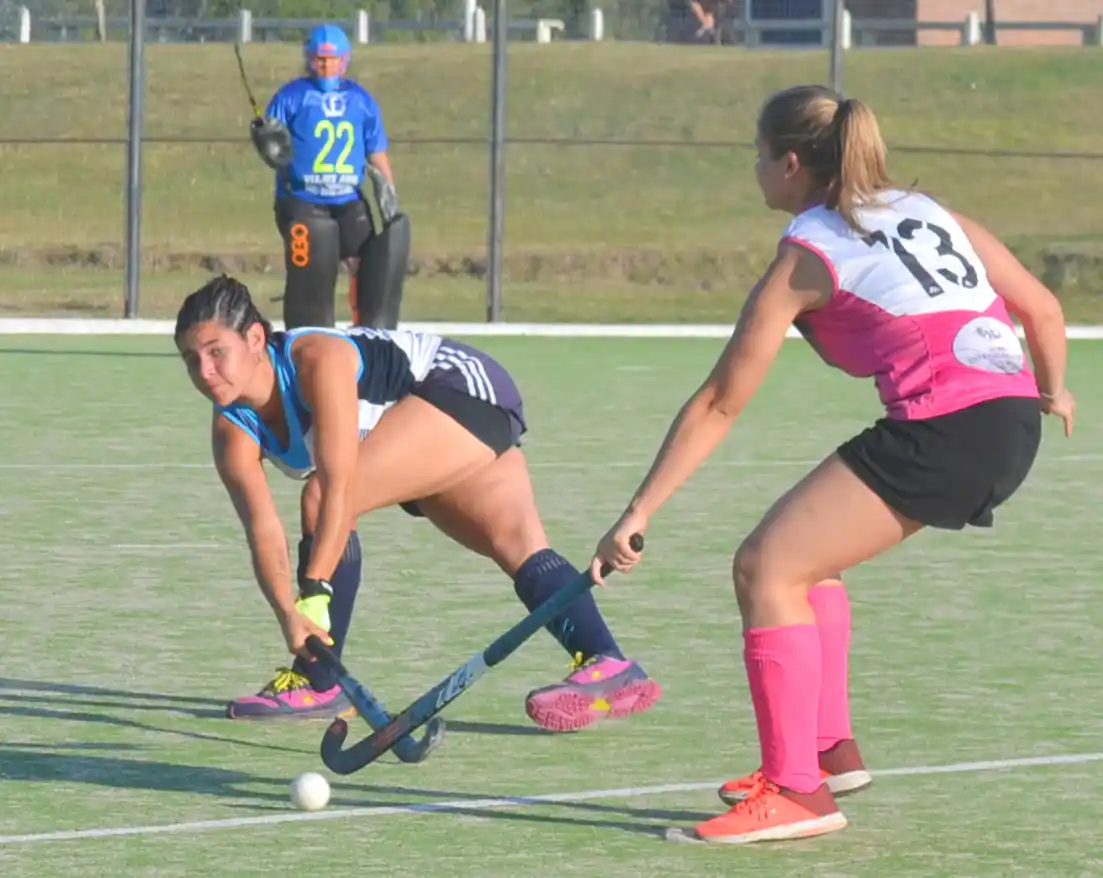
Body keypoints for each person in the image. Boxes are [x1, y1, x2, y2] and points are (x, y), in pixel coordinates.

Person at [591, 84, 1074, 845]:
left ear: (789, 164)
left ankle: (796, 793)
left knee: (763, 568)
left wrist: (638, 511)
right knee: (807, 561)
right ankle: (824, 751)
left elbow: (720, 401)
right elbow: (1041, 309)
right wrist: (1051, 393)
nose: (753, 171)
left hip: (945, 431)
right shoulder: (930, 211)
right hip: (1007, 422)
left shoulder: (808, 250)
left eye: (757, 158)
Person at [175, 274, 662, 731]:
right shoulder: (231, 430)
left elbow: (340, 484)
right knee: (515, 542)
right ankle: (608, 662)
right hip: (420, 425)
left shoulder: (315, 359)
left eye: (217, 352)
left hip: (461, 389)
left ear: (256, 339)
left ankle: (319, 682)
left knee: (322, 495)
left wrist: (316, 589)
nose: (206, 371)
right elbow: (262, 530)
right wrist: (288, 612)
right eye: (192, 359)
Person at [250, 23, 402, 329]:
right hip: (302, 200)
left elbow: (376, 149)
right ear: (308, 59)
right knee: (313, 270)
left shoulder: (360, 100)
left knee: (364, 264)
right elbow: (271, 141)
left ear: (344, 60)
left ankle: (365, 331)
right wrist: (265, 137)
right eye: (319, 59)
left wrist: (388, 189)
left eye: (332, 59)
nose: (326, 65)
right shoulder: (292, 96)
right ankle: (311, 333)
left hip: (347, 199)